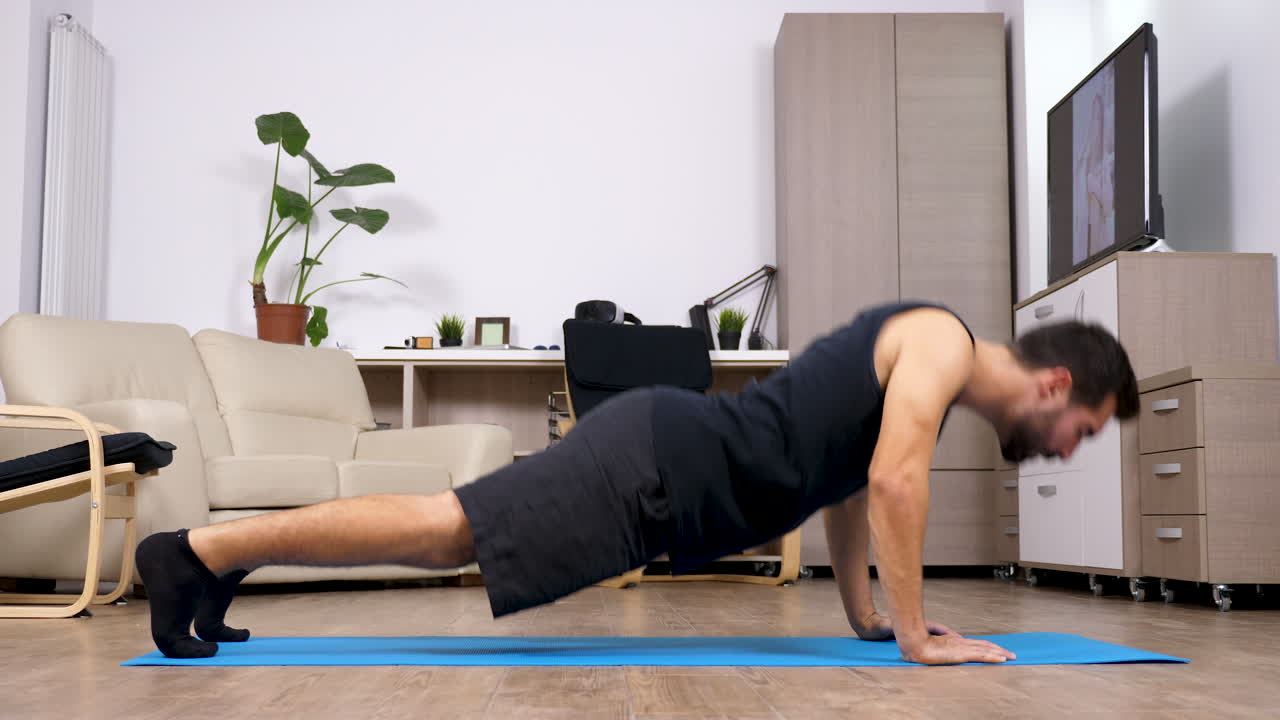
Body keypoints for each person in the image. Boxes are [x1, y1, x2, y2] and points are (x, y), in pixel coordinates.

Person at [135, 300, 1138, 665]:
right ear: (1055, 383)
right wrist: (919, 638)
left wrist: (867, 616)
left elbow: (844, 485)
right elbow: (892, 487)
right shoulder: (942, 341)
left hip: (666, 462)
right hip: (658, 460)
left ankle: (215, 563)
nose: (1064, 447)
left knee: (451, 535)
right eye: (1079, 429)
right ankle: (195, 555)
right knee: (448, 534)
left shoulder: (928, 359)